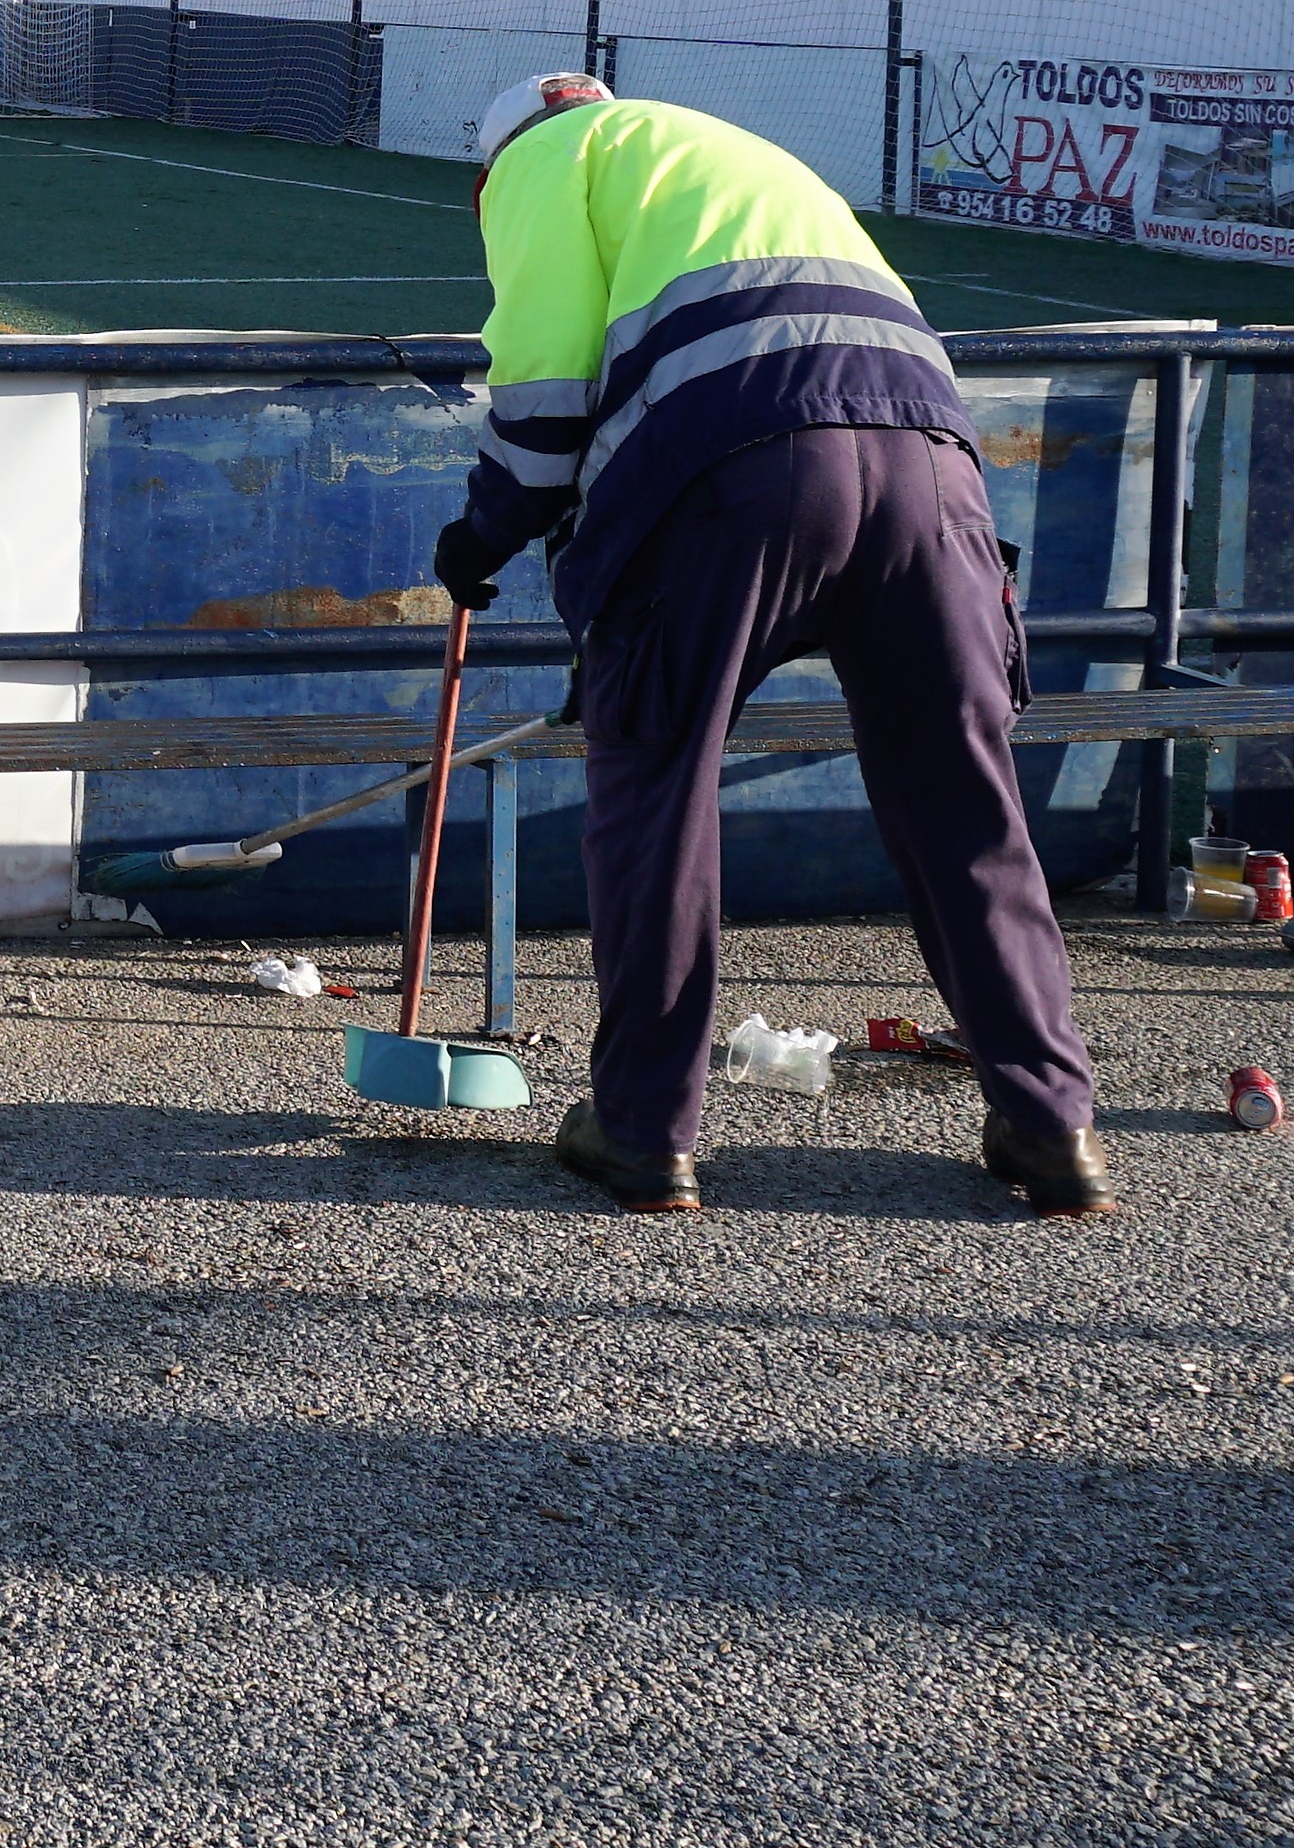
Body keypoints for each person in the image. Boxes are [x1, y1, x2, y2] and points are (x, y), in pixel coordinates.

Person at [427, 71, 1113, 1220]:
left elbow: (544, 397)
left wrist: (481, 532)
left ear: (495, 171)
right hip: (930, 467)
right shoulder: (725, 145)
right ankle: (1052, 1123)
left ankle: (642, 1130)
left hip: (734, 469)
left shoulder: (546, 160)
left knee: (657, 786)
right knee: (962, 794)